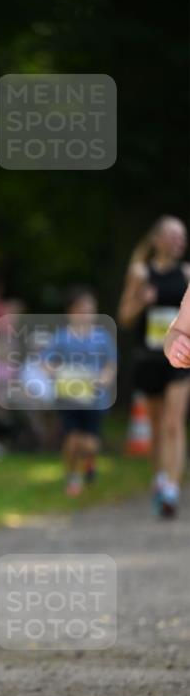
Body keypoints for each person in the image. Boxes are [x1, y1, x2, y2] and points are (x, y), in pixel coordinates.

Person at [117, 215, 190, 517]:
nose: (179, 242)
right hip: (149, 358)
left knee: (175, 422)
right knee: (158, 427)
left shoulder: (187, 273)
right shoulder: (140, 273)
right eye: (173, 236)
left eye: (182, 237)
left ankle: (172, 488)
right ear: (157, 239)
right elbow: (124, 317)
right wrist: (142, 301)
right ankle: (160, 477)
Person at [41, 287, 117, 497]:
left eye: (89, 310)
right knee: (71, 439)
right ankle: (73, 476)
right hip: (69, 398)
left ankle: (89, 462)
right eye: (81, 309)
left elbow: (110, 365)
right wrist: (56, 372)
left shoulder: (102, 338)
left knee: (91, 443)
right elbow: (46, 362)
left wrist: (103, 380)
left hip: (94, 400)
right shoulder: (61, 338)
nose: (85, 314)